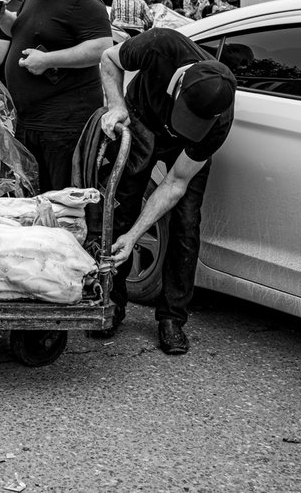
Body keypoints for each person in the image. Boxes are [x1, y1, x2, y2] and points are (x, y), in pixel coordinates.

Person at [96, 28, 236, 354]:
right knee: (121, 207)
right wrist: (116, 106)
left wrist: (134, 237)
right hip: (142, 118)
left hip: (183, 149)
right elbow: (108, 58)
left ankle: (172, 317)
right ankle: (112, 302)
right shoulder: (161, 45)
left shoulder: (217, 123)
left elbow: (175, 183)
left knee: (186, 222)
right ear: (177, 84)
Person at [0, 0, 115, 191]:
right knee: (38, 198)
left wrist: (47, 60)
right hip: (33, 122)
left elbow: (102, 48)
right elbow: (25, 32)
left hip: (63, 127)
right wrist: (2, 18)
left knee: (61, 201)